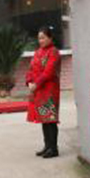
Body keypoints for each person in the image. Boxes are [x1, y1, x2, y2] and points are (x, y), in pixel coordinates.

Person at [25, 26, 62, 159]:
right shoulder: (37, 52)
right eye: (39, 38)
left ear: (50, 38)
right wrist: (29, 81)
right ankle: (47, 146)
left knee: (50, 119)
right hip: (38, 90)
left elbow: (49, 72)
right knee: (43, 119)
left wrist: (36, 84)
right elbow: (30, 69)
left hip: (49, 90)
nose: (40, 40)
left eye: (43, 38)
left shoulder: (54, 52)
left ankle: (54, 148)